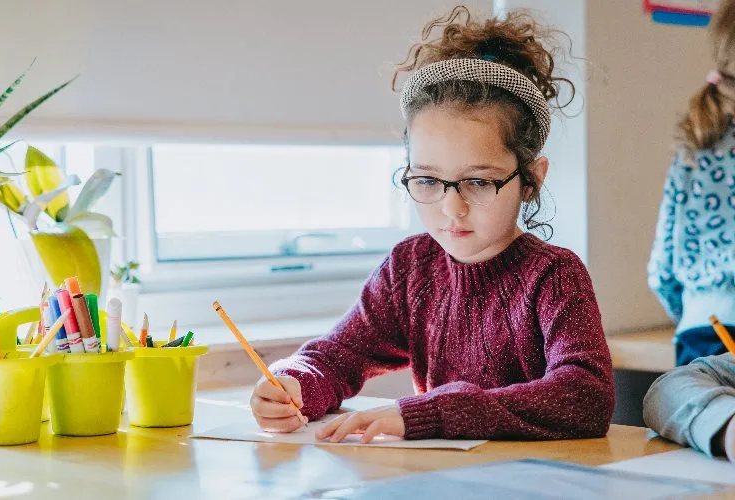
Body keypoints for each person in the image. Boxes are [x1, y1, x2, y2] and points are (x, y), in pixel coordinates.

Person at [250, 6, 614, 443]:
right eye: (427, 180)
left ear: (531, 179)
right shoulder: (409, 267)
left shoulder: (554, 275)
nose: (451, 208)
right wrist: (294, 383)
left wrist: (434, 413)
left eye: (478, 181)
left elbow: (585, 397)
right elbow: (338, 354)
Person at [647, 0, 735, 366]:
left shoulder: (696, 146)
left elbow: (661, 269)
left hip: (700, 327)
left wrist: (692, 310)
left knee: (704, 417)